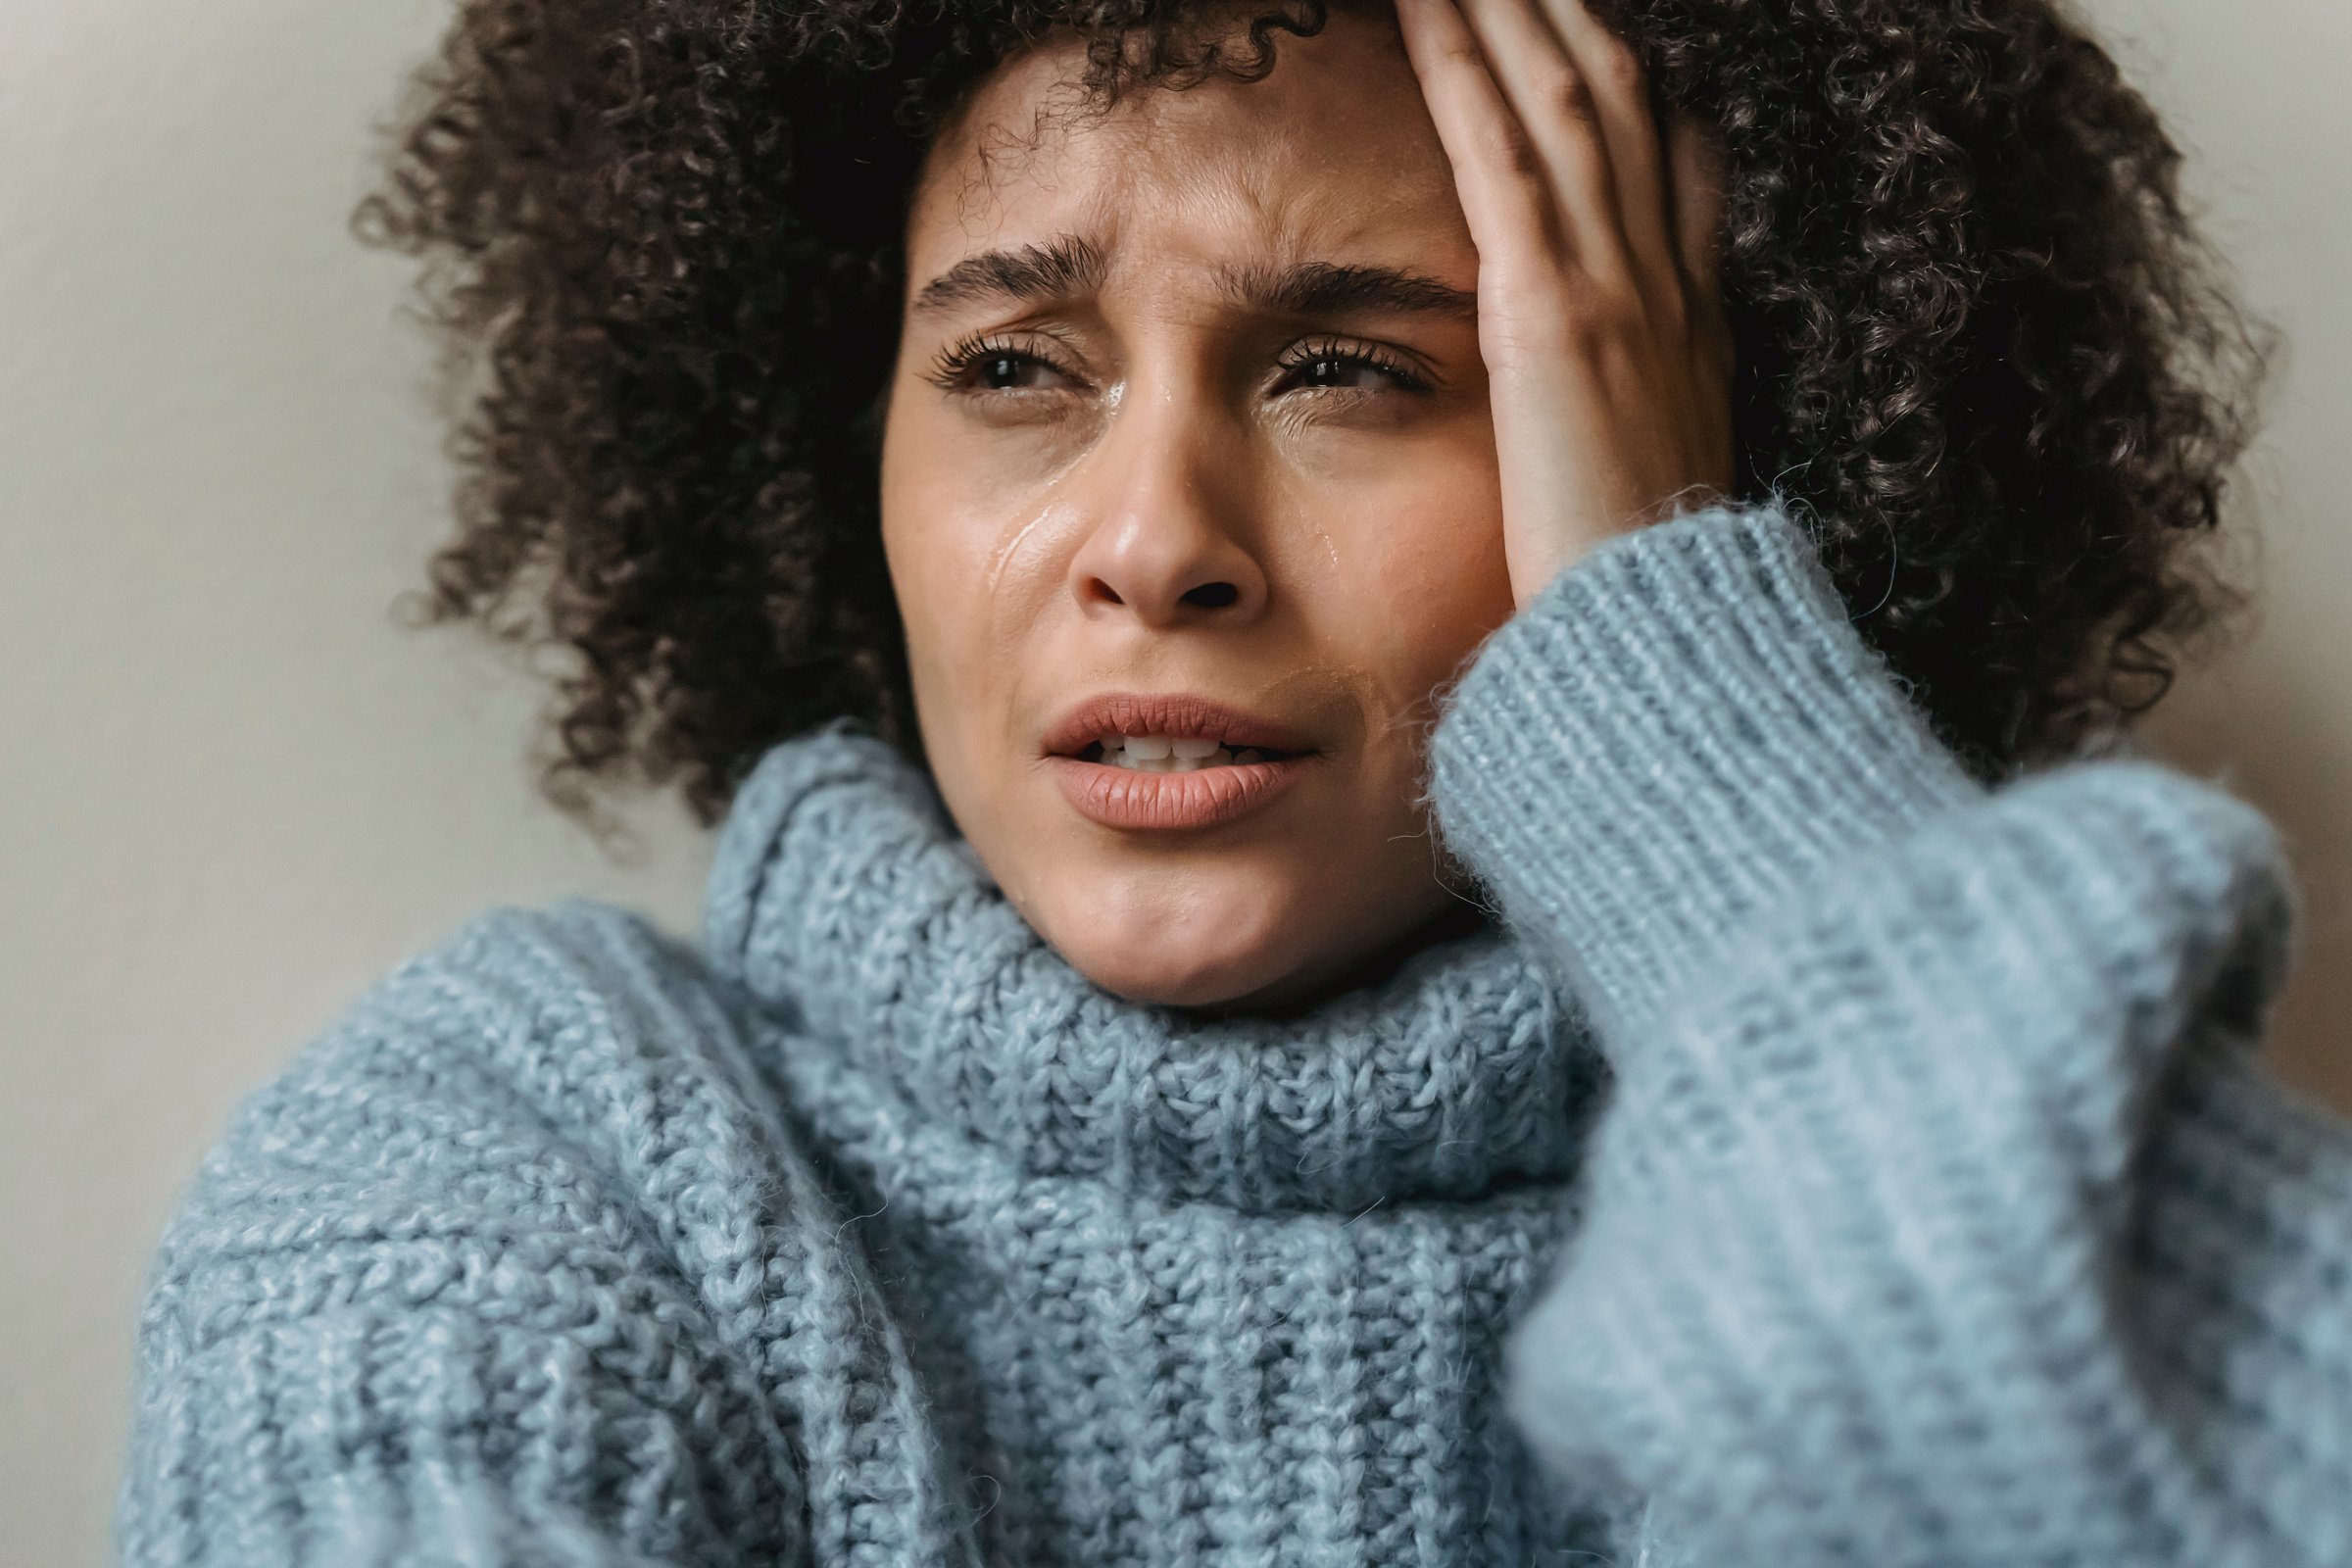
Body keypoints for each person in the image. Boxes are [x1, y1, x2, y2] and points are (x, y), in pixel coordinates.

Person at [114, 0, 2352, 1562]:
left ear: (1684, 458)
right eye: (1010, 366)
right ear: (837, 456)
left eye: (1354, 368)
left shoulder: (1950, 1150)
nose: (1155, 533)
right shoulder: (514, 1154)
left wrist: (1679, 683)